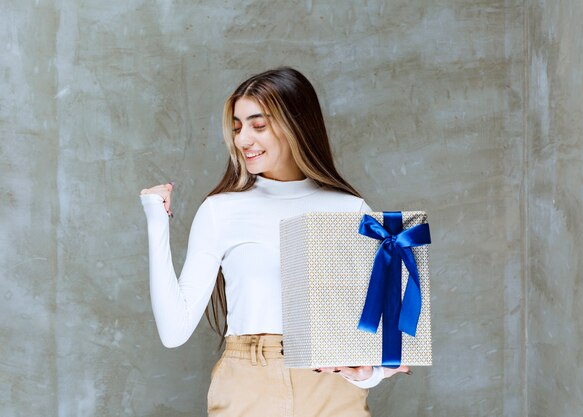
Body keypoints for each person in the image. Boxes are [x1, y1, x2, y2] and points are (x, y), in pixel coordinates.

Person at [139, 67, 409, 417]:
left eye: (258, 125)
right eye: (237, 128)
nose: (242, 140)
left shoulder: (351, 210)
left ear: (296, 125)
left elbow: (382, 334)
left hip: (331, 391)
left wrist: (369, 372)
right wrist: (156, 223)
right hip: (248, 384)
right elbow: (174, 332)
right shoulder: (221, 210)